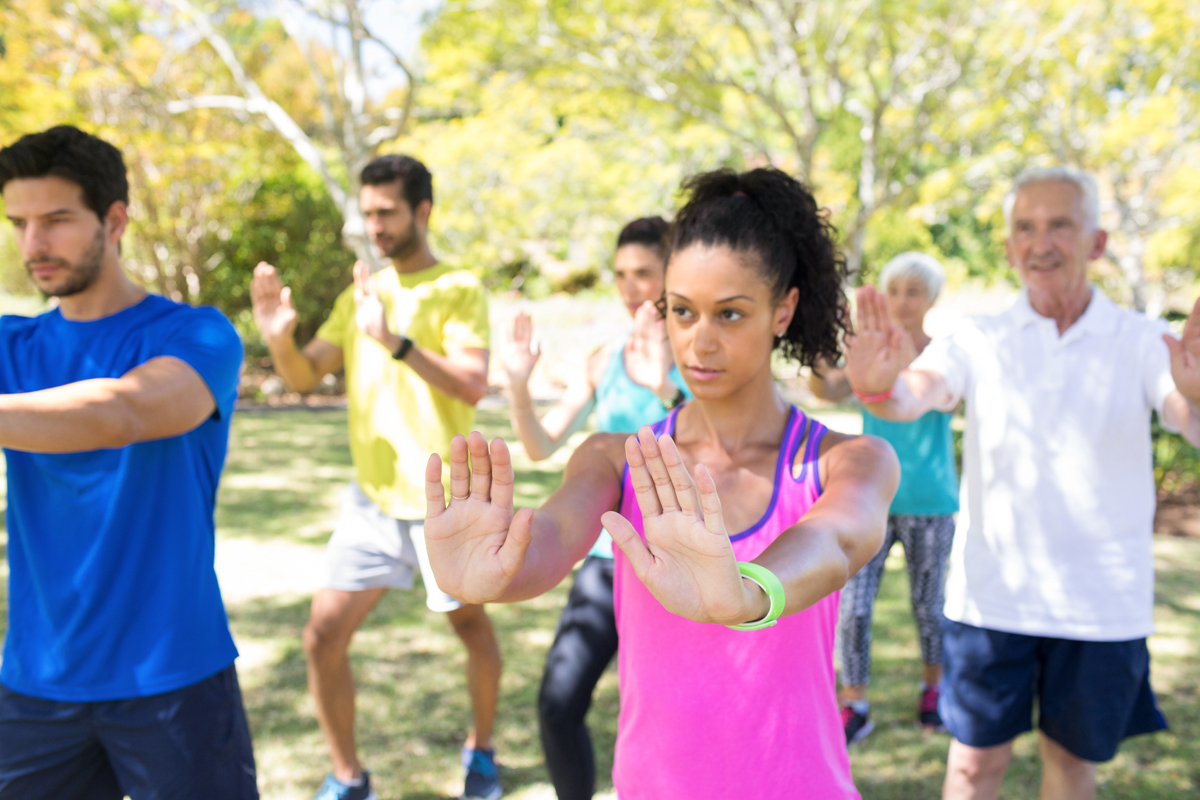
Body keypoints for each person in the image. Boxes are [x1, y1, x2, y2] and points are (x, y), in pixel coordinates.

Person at [424, 167, 900, 799]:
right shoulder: (616, 458)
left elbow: (839, 541)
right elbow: (552, 539)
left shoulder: (850, 460)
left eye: (730, 314)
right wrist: (489, 572)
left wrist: (747, 592)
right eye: (681, 311)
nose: (698, 340)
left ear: (783, 308)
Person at [844, 165, 1200, 800]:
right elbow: (913, 394)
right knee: (973, 768)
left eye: (1060, 224)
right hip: (992, 601)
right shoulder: (977, 337)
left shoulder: (1142, 340)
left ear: (1096, 241)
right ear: (1009, 246)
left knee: (1070, 771)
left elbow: (1186, 415)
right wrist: (878, 384)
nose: (1041, 243)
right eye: (1025, 228)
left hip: (1101, 608)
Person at [0, 126, 254, 798]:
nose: (33, 245)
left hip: (174, 678)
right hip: (35, 684)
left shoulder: (197, 334)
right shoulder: (11, 345)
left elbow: (124, 413)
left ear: (115, 221)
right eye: (19, 223)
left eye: (56, 220)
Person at [250, 155, 503, 800]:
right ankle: (347, 776)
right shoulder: (357, 297)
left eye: (387, 211)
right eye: (368, 213)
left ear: (422, 210)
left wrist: (394, 341)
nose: (375, 224)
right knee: (323, 636)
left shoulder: (459, 287)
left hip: (448, 504)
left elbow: (473, 382)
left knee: (471, 627)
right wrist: (279, 339)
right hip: (371, 505)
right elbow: (306, 376)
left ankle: (482, 751)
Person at [501, 217, 692, 800]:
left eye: (645, 273)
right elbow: (541, 443)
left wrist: (665, 387)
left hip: (684, 566)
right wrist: (516, 386)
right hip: (609, 561)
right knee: (558, 704)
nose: (632, 287)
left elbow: (718, 452)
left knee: (676, 719)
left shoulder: (703, 355)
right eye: (620, 275)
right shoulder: (604, 357)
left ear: (671, 274)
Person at [808, 252, 959, 743]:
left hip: (930, 501)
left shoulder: (944, 359)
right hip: (872, 499)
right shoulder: (870, 352)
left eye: (913, 292)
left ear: (931, 299)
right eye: (894, 291)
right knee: (853, 606)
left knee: (928, 607)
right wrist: (820, 347)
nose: (901, 302)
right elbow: (827, 390)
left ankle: (933, 692)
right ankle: (855, 702)